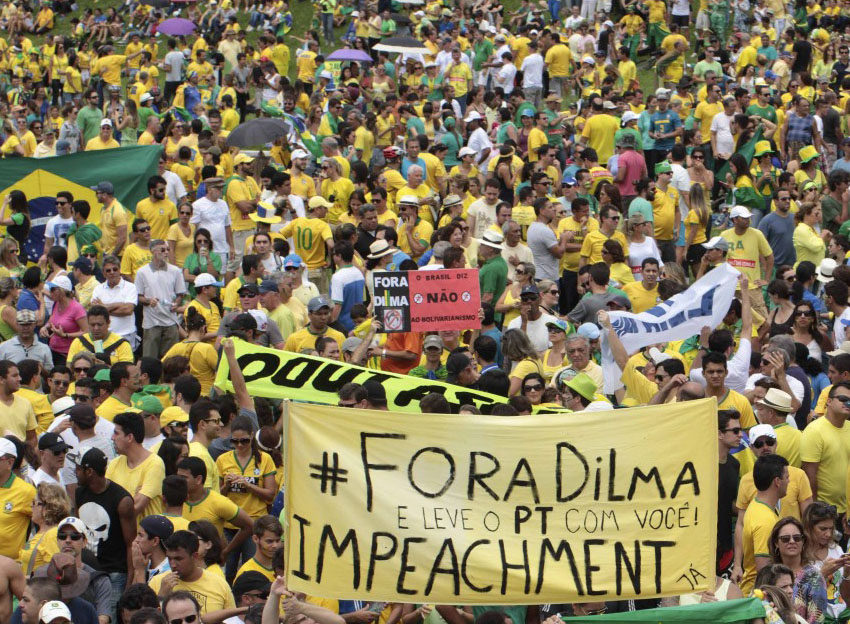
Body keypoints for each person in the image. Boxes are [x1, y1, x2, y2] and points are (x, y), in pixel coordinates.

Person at [149, 533, 235, 613]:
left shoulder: (219, 584)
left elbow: (233, 620)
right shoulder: (158, 582)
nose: (172, 564)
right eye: (169, 558)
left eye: (178, 559)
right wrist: (161, 597)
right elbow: (146, 619)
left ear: (194, 556)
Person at [740, 453, 789, 595]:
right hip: (760, 597)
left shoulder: (759, 506)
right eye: (787, 477)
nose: (789, 481)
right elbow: (765, 571)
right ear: (777, 482)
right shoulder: (764, 520)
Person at [801, 382, 850, 516]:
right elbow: (809, 476)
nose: (848, 403)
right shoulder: (814, 431)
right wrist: (816, 510)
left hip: (847, 510)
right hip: (825, 511)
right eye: (843, 399)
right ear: (828, 401)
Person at [107, 412, 165, 519]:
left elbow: (135, 507)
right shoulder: (114, 464)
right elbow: (106, 501)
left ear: (129, 437)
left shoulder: (154, 464)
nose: (112, 438)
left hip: (147, 535)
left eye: (116, 433)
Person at [135, 239, 187, 359]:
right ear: (153, 252)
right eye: (162, 250)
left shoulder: (175, 271)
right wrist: (149, 301)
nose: (166, 253)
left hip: (171, 321)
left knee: (171, 360)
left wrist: (176, 304)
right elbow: (138, 296)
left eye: (167, 249)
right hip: (151, 323)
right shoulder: (142, 272)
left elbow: (180, 294)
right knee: (150, 360)